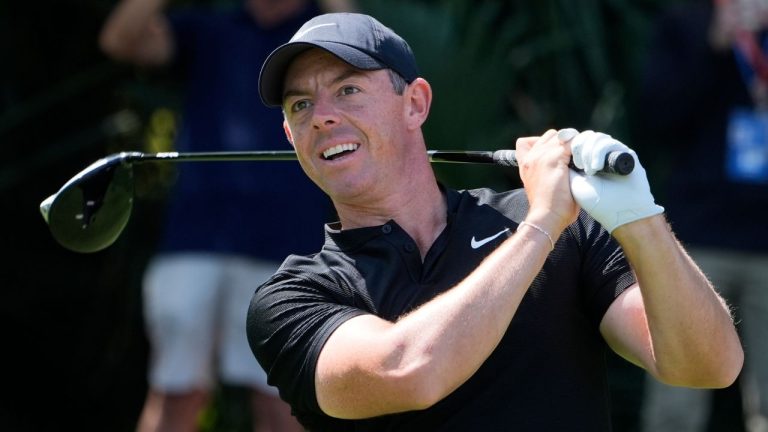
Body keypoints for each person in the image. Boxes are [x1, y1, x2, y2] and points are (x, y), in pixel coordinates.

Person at [245, 12, 744, 431]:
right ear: (291, 135)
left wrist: (640, 220)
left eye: (348, 89)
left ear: (415, 103)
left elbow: (707, 365)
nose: (322, 116)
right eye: (302, 104)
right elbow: (410, 372)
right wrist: (543, 224)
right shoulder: (293, 296)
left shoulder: (559, 227)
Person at [99, 1, 355, 431]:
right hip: (193, 239)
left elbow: (364, 49)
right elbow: (119, 39)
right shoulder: (207, 29)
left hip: (289, 247)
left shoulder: (325, 33)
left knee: (281, 404)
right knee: (176, 395)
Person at [637, 1, 768, 431]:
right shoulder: (686, 21)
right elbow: (655, 121)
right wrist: (713, 47)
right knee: (676, 404)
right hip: (698, 243)